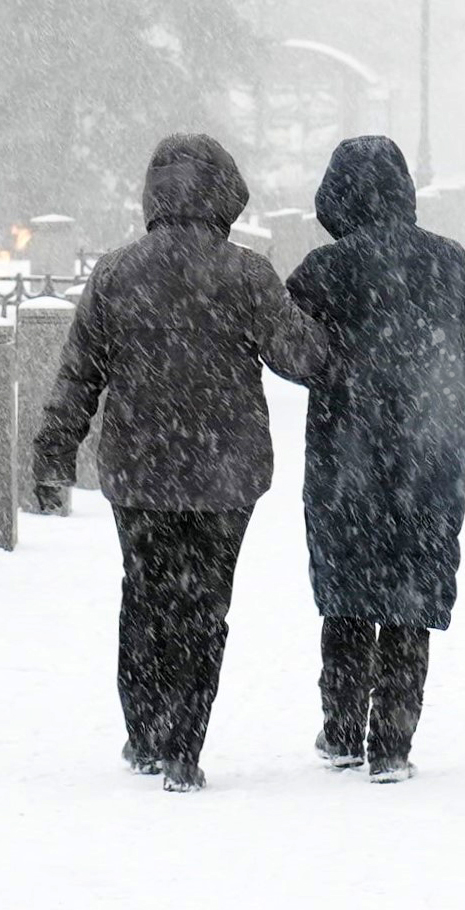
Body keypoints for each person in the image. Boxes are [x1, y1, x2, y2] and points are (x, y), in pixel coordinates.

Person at [34, 133, 329, 793]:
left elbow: (78, 375)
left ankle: (144, 733)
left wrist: (55, 450)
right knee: (205, 607)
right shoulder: (246, 273)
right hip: (226, 475)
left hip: (139, 469)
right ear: (224, 194)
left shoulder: (115, 272)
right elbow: (302, 360)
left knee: (145, 596)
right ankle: (184, 747)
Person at [286, 137, 465, 784]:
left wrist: (336, 375)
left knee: (347, 592)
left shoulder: (324, 270)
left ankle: (343, 728)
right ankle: (393, 744)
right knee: (412, 596)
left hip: (344, 457)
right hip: (429, 458)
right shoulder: (451, 265)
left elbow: (287, 345)